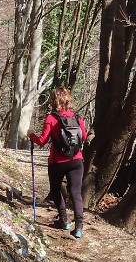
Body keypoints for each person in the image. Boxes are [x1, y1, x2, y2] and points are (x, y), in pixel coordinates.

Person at [27, 87, 90, 238]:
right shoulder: (77, 117)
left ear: (54, 100)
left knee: (55, 190)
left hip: (57, 162)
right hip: (76, 160)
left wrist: (31, 135)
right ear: (68, 100)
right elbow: (84, 136)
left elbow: (42, 141)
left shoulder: (51, 118)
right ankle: (79, 227)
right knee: (75, 193)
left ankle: (63, 220)